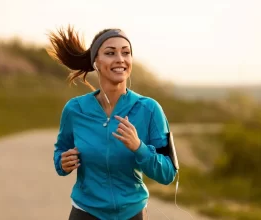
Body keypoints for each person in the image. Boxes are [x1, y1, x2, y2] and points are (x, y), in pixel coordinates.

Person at [47, 25, 178, 220]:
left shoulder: (149, 109)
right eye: (110, 53)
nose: (120, 59)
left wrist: (139, 147)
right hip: (85, 212)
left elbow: (168, 173)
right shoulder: (75, 110)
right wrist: (62, 163)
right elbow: (61, 152)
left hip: (132, 213)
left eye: (126, 53)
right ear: (96, 62)